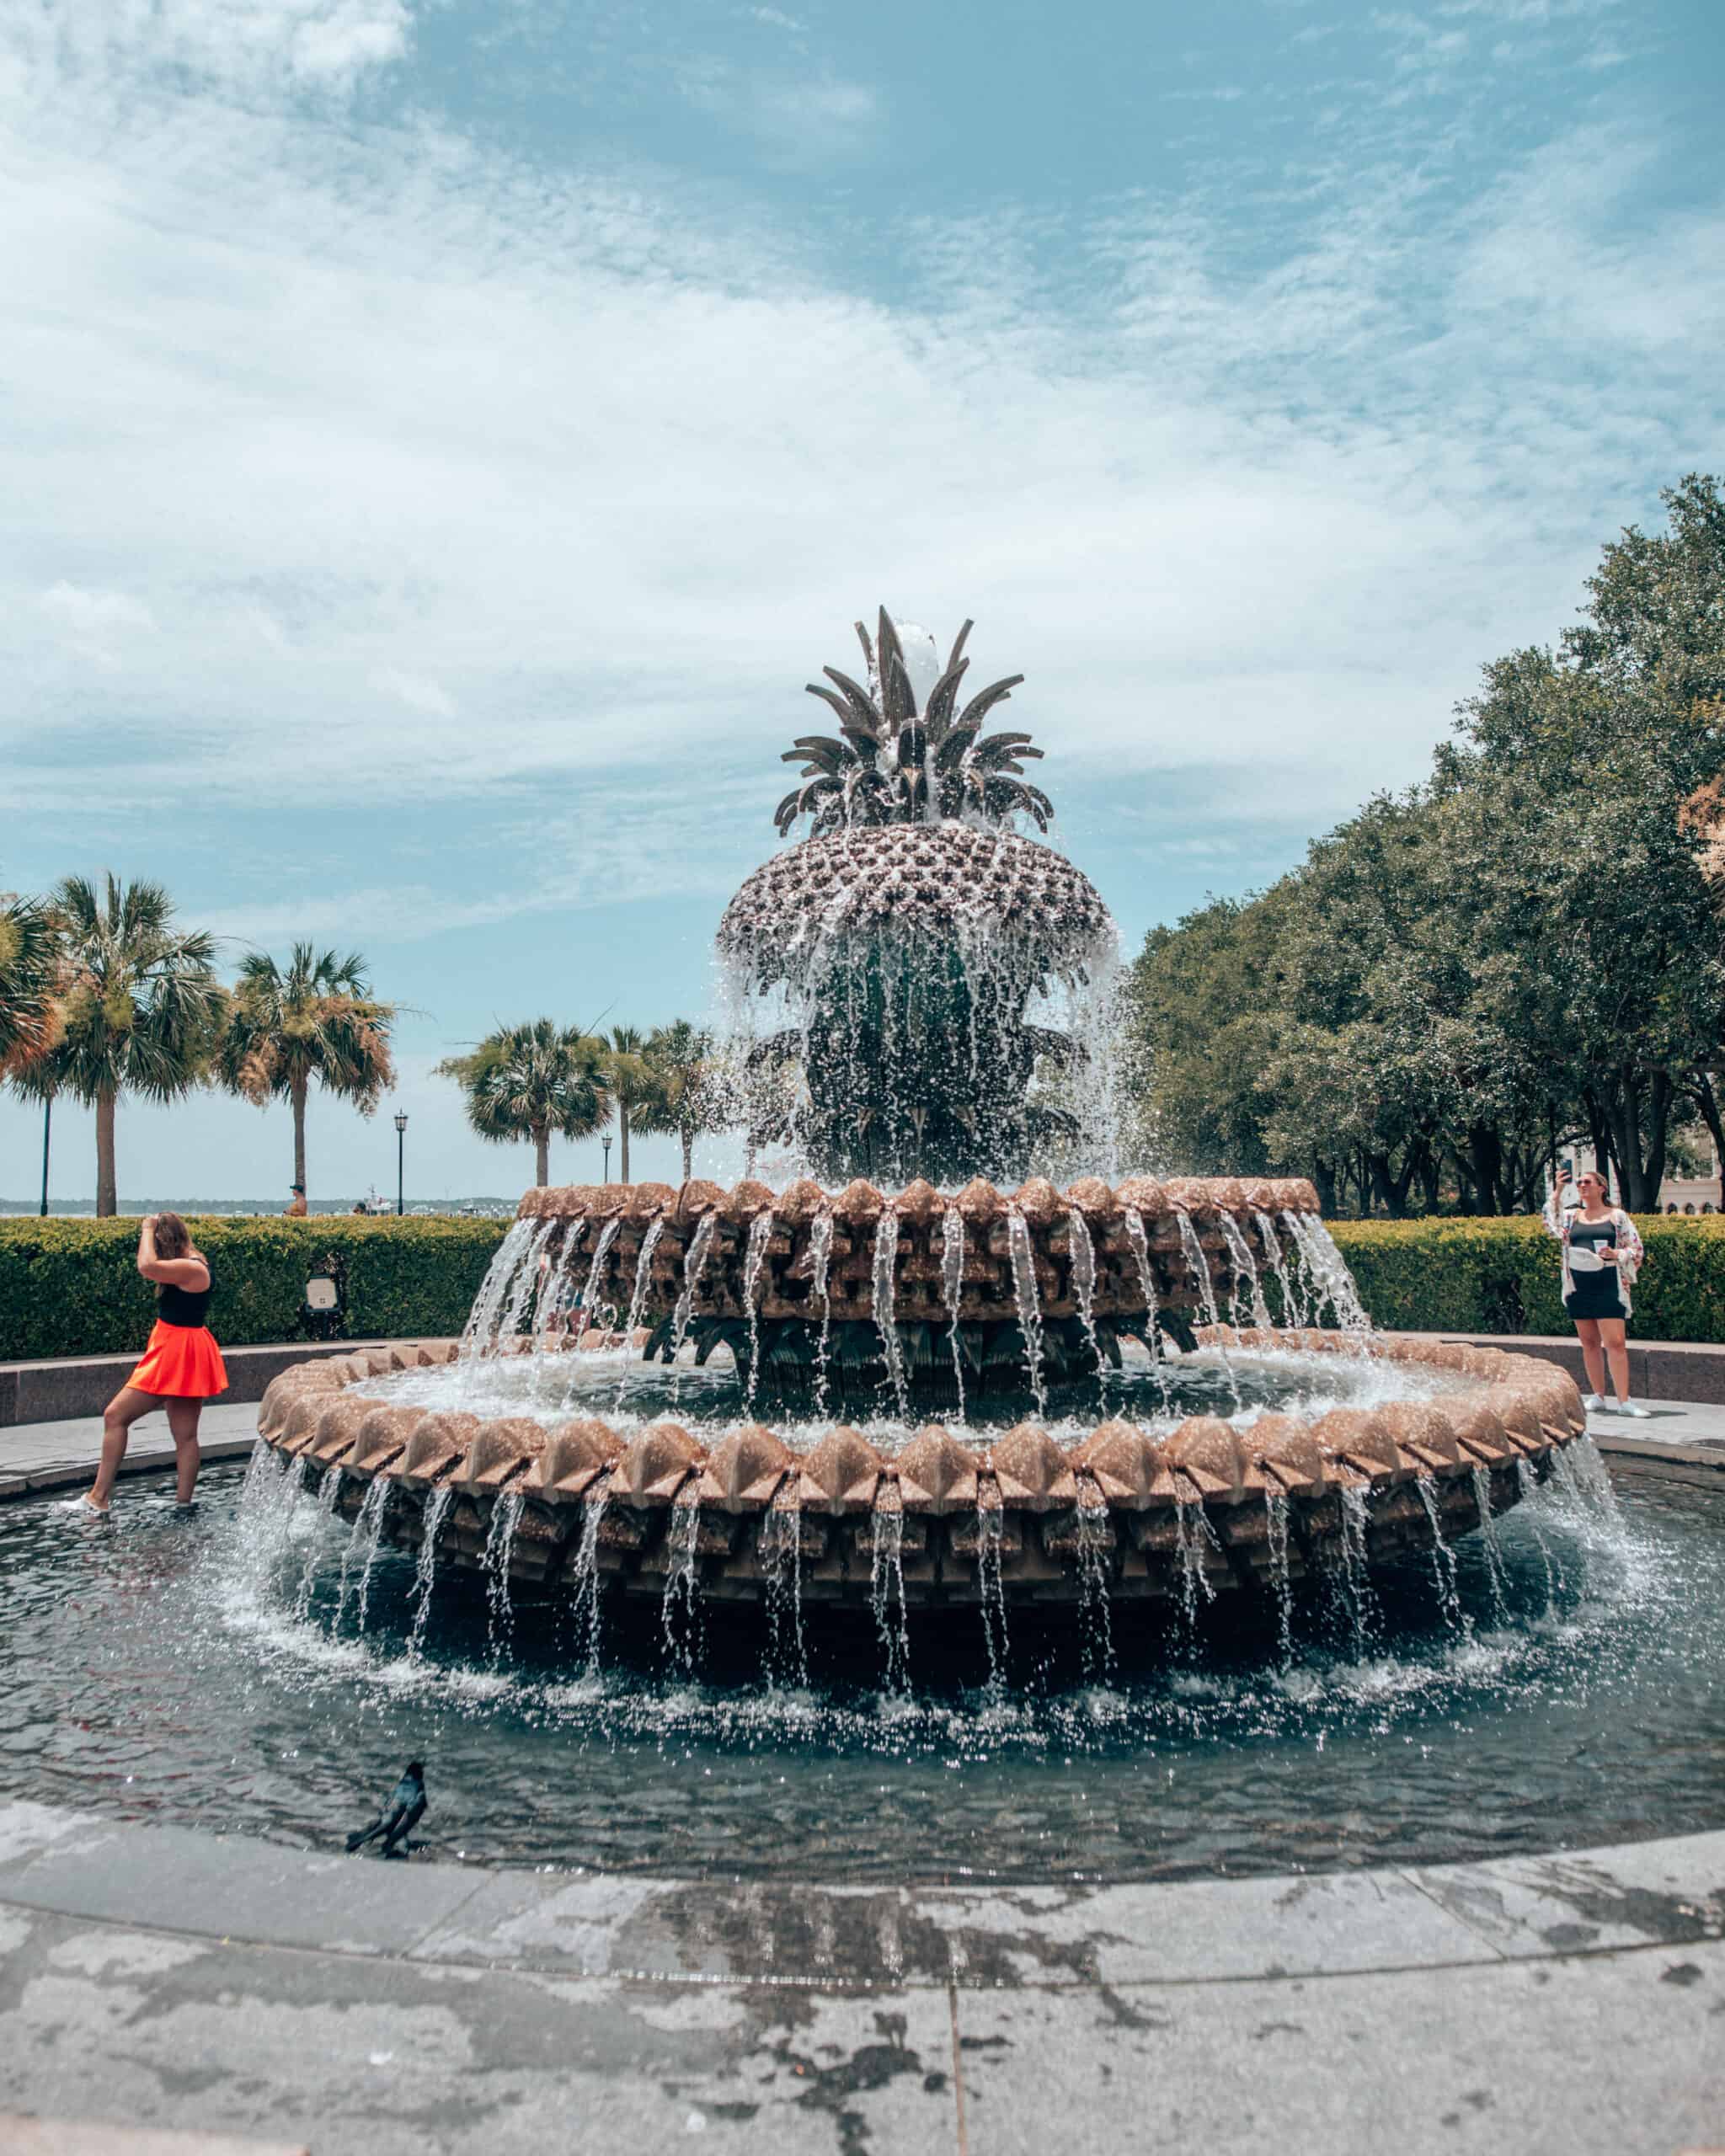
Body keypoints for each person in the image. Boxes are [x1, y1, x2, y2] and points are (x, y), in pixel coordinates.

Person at [77, 1214, 229, 1516]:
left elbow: (146, 1266)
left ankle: (99, 1497)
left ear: (165, 1241)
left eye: (156, 1243)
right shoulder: (190, 1263)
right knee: (185, 1434)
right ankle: (182, 1504)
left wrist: (146, 1229)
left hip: (176, 1351)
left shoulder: (192, 1266)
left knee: (115, 1416)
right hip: (181, 1347)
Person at [1543, 1165, 1649, 1417]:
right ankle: (1599, 1396)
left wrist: (1617, 1254)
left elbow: (1637, 1251)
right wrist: (1558, 1190)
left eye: (1588, 1182)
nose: (1582, 1185)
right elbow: (1550, 1223)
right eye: (1579, 1182)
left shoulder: (1617, 1217)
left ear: (1602, 1187)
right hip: (1579, 1286)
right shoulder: (1570, 1217)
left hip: (1608, 1284)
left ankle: (1624, 1401)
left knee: (1615, 1343)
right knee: (1589, 1343)